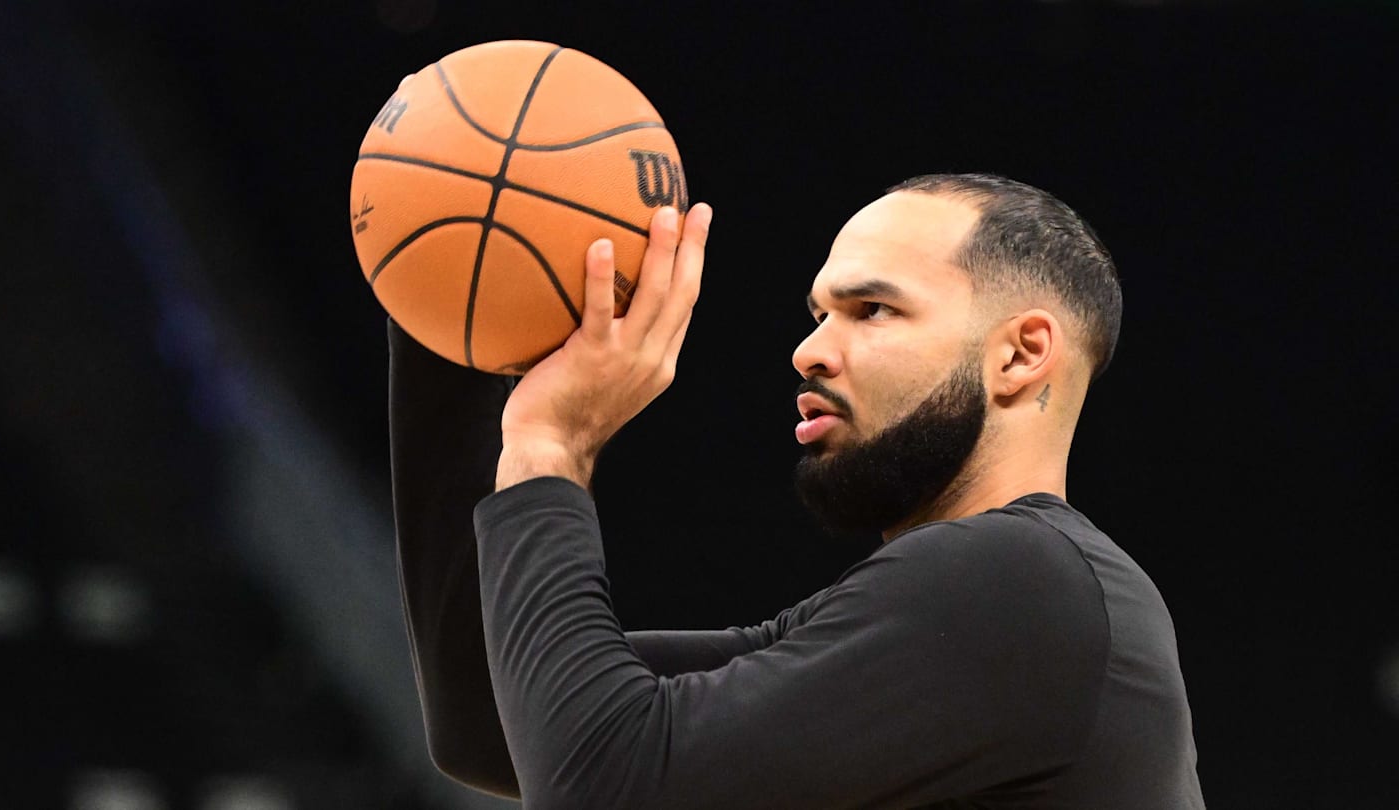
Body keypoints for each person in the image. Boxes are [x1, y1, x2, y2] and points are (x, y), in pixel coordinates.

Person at [389, 173, 1205, 809]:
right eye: (817, 313)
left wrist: (550, 445)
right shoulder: (990, 604)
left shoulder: (1022, 582)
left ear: (1022, 355)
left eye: (871, 310)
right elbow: (481, 715)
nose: (809, 351)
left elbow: (602, 787)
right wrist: (444, 296)